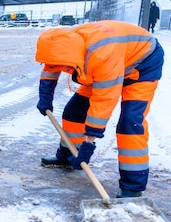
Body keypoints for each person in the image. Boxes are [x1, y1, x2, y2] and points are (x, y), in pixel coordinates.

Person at [35, 21, 164, 198]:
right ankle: (67, 155)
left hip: (141, 67)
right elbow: (51, 67)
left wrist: (89, 143)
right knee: (74, 112)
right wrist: (45, 96)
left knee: (130, 123)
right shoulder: (64, 42)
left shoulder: (102, 55)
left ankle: (132, 187)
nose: (65, 70)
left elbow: (104, 100)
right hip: (106, 65)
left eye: (68, 67)